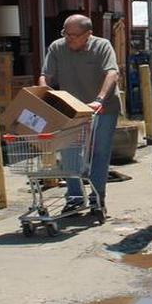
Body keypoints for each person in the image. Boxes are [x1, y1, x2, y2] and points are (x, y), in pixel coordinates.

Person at [38, 14, 121, 213]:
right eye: (66, 33)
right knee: (70, 153)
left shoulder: (102, 46)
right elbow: (45, 76)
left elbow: (112, 73)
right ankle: (75, 198)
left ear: (88, 34)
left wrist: (99, 99)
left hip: (103, 108)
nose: (69, 38)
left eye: (74, 35)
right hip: (72, 110)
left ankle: (97, 198)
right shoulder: (57, 47)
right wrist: (45, 95)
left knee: (99, 153)